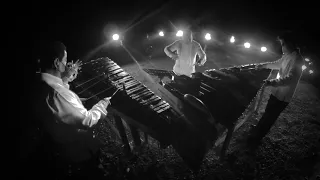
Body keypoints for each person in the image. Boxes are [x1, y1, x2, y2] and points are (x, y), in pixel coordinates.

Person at [26, 41, 112, 179]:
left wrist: (65, 79)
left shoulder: (38, 84)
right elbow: (87, 120)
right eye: (65, 60)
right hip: (78, 156)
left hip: (62, 150)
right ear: (56, 63)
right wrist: (102, 104)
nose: (67, 64)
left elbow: (58, 104)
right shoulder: (58, 94)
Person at [246, 32, 305, 149]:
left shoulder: (297, 59)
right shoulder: (287, 56)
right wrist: (262, 65)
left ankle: (256, 139)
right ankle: (257, 129)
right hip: (276, 93)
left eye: (283, 44)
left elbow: (290, 78)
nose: (282, 47)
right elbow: (276, 64)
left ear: (291, 44)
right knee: (267, 113)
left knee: (270, 118)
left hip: (283, 97)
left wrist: (271, 82)